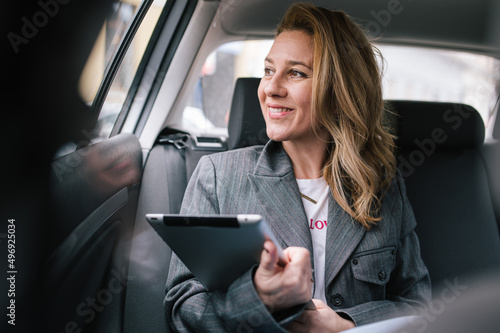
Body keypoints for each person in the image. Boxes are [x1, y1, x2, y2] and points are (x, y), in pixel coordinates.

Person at [165, 3, 431, 332]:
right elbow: (181, 308)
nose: (271, 88)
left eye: (296, 73)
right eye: (268, 70)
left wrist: (346, 324)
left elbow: (418, 306)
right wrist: (259, 299)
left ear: (338, 93)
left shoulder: (384, 186)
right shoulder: (219, 176)